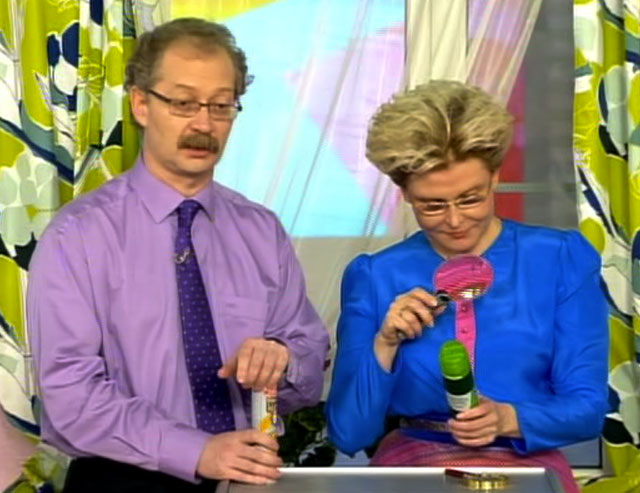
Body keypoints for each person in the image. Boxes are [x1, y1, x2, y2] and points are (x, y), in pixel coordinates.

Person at [27, 18, 329, 492]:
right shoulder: (77, 236)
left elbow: (308, 363)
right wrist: (197, 451)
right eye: (184, 103)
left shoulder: (261, 230)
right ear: (141, 104)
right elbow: (71, 397)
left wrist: (282, 360)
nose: (204, 124)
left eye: (221, 105)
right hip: (121, 479)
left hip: (245, 475)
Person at [325, 80, 608, 492]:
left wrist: (509, 418)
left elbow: (588, 409)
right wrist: (384, 344)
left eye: (471, 198)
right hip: (413, 469)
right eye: (432, 205)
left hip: (527, 469)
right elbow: (349, 434)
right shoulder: (374, 276)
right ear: (404, 194)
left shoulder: (560, 258)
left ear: (495, 177)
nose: (455, 221)